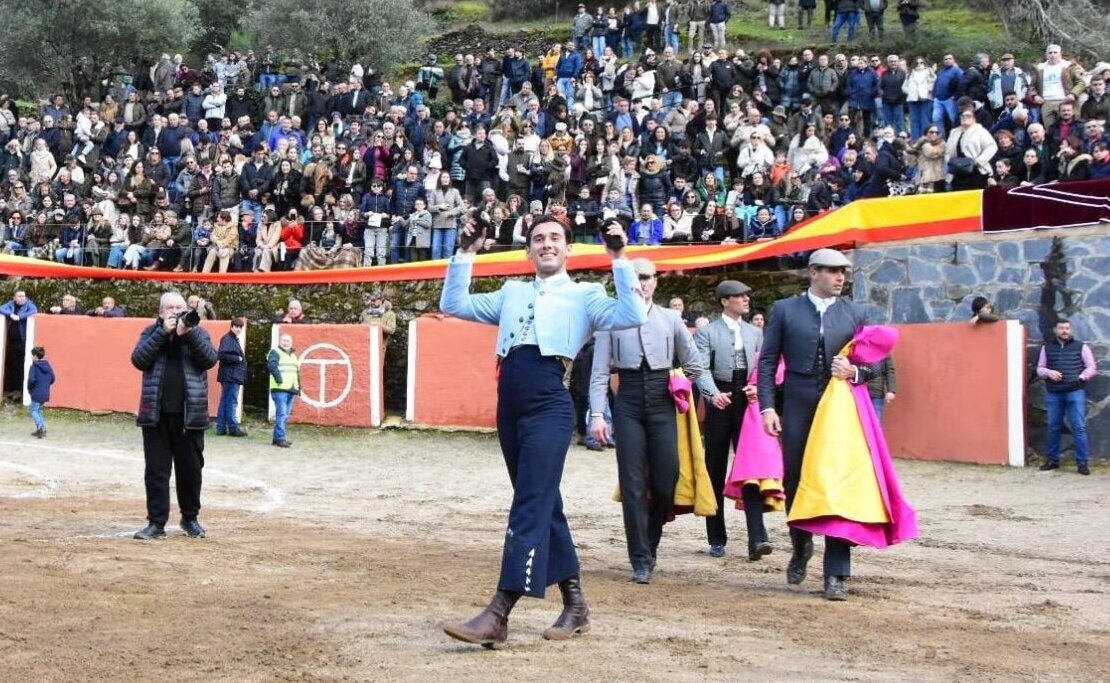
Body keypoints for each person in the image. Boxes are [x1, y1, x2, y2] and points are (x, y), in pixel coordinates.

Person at [439, 214, 646, 648]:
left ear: (569, 249)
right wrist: (465, 254)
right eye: (538, 239)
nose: (547, 244)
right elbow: (454, 305)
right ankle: (575, 604)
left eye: (555, 238)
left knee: (529, 505)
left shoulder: (586, 293)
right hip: (509, 406)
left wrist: (618, 257)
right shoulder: (512, 291)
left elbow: (632, 314)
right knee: (543, 503)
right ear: (528, 250)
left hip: (550, 405)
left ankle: (500, 611)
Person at [758, 248, 877, 601]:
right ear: (813, 273)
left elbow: (878, 365)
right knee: (796, 479)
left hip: (839, 407)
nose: (841, 278)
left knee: (839, 484)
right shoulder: (785, 309)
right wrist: (767, 407)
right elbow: (767, 362)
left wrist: (855, 372)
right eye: (833, 271)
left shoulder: (856, 313)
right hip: (797, 404)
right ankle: (801, 543)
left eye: (843, 272)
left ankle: (836, 574)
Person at [589, 257, 718, 583]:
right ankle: (640, 558)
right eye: (635, 278)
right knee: (632, 484)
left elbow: (694, 364)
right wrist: (597, 414)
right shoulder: (610, 321)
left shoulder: (671, 318)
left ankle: (651, 540)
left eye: (647, 277)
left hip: (663, 400)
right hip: (629, 399)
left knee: (666, 480)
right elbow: (600, 372)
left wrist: (680, 381)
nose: (641, 283)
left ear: (656, 282)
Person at [130, 292, 218, 540]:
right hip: (156, 415)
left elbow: (210, 359)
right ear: (160, 312)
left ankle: (190, 519)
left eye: (179, 307)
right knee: (157, 472)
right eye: (169, 307)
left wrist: (187, 334)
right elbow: (138, 360)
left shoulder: (198, 332)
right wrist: (163, 333)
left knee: (190, 470)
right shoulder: (150, 332)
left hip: (190, 416)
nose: (175, 311)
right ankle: (156, 523)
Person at [693, 280, 765, 559]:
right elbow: (700, 367)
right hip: (720, 399)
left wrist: (757, 386)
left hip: (747, 399)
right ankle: (716, 536)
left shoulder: (755, 332)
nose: (746, 299)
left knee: (750, 465)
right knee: (715, 465)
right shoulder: (707, 332)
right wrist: (712, 395)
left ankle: (756, 537)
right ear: (724, 301)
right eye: (739, 296)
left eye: (747, 295)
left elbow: (761, 366)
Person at [1036, 319, 1097, 476]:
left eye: (1067, 328)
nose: (1065, 331)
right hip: (1054, 392)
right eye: (1061, 328)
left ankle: (1082, 463)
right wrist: (1049, 372)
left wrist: (1081, 378)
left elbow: (1091, 367)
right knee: (1053, 427)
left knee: (1079, 427)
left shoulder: (1081, 347)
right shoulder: (1047, 348)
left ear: (1071, 330)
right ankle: (1053, 461)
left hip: (1075, 392)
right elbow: (1040, 368)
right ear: (1055, 330)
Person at [1, 290, 37, 400]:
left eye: (23, 296)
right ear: (14, 297)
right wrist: (10, 313)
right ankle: (11, 389)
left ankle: (19, 390)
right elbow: (1, 308)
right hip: (10, 341)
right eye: (19, 296)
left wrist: (20, 317)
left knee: (20, 366)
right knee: (11, 365)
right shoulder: (11, 304)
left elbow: (34, 310)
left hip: (22, 342)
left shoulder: (29, 304)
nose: (22, 298)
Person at [216, 318, 249, 437]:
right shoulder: (228, 339)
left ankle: (221, 428)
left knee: (225, 401)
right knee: (231, 402)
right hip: (231, 376)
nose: (239, 329)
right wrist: (238, 359)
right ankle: (233, 428)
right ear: (232, 326)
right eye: (237, 326)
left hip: (230, 375)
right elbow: (221, 355)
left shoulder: (231, 339)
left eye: (241, 327)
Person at [267, 332, 300, 448]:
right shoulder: (275, 352)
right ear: (280, 342)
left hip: (291, 389)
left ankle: (277, 438)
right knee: (281, 414)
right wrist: (279, 379)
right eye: (284, 340)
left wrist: (298, 388)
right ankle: (280, 438)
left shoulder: (293, 355)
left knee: (284, 414)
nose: (286, 343)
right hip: (280, 388)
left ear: (291, 343)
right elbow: (271, 366)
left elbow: (296, 373)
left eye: (288, 341)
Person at [27, 346, 55, 438]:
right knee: (39, 410)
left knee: (33, 410)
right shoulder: (48, 365)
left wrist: (30, 389)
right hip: (45, 392)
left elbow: (31, 380)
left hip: (36, 392)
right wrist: (45, 385)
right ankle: (43, 429)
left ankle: (40, 428)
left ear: (35, 356)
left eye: (32, 355)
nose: (31, 357)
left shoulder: (34, 366)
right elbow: (53, 378)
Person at [867, 355, 896, 421]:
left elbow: (889, 371)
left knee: (876, 423)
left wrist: (891, 390)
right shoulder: (859, 349)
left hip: (876, 395)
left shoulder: (883, 351)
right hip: (859, 394)